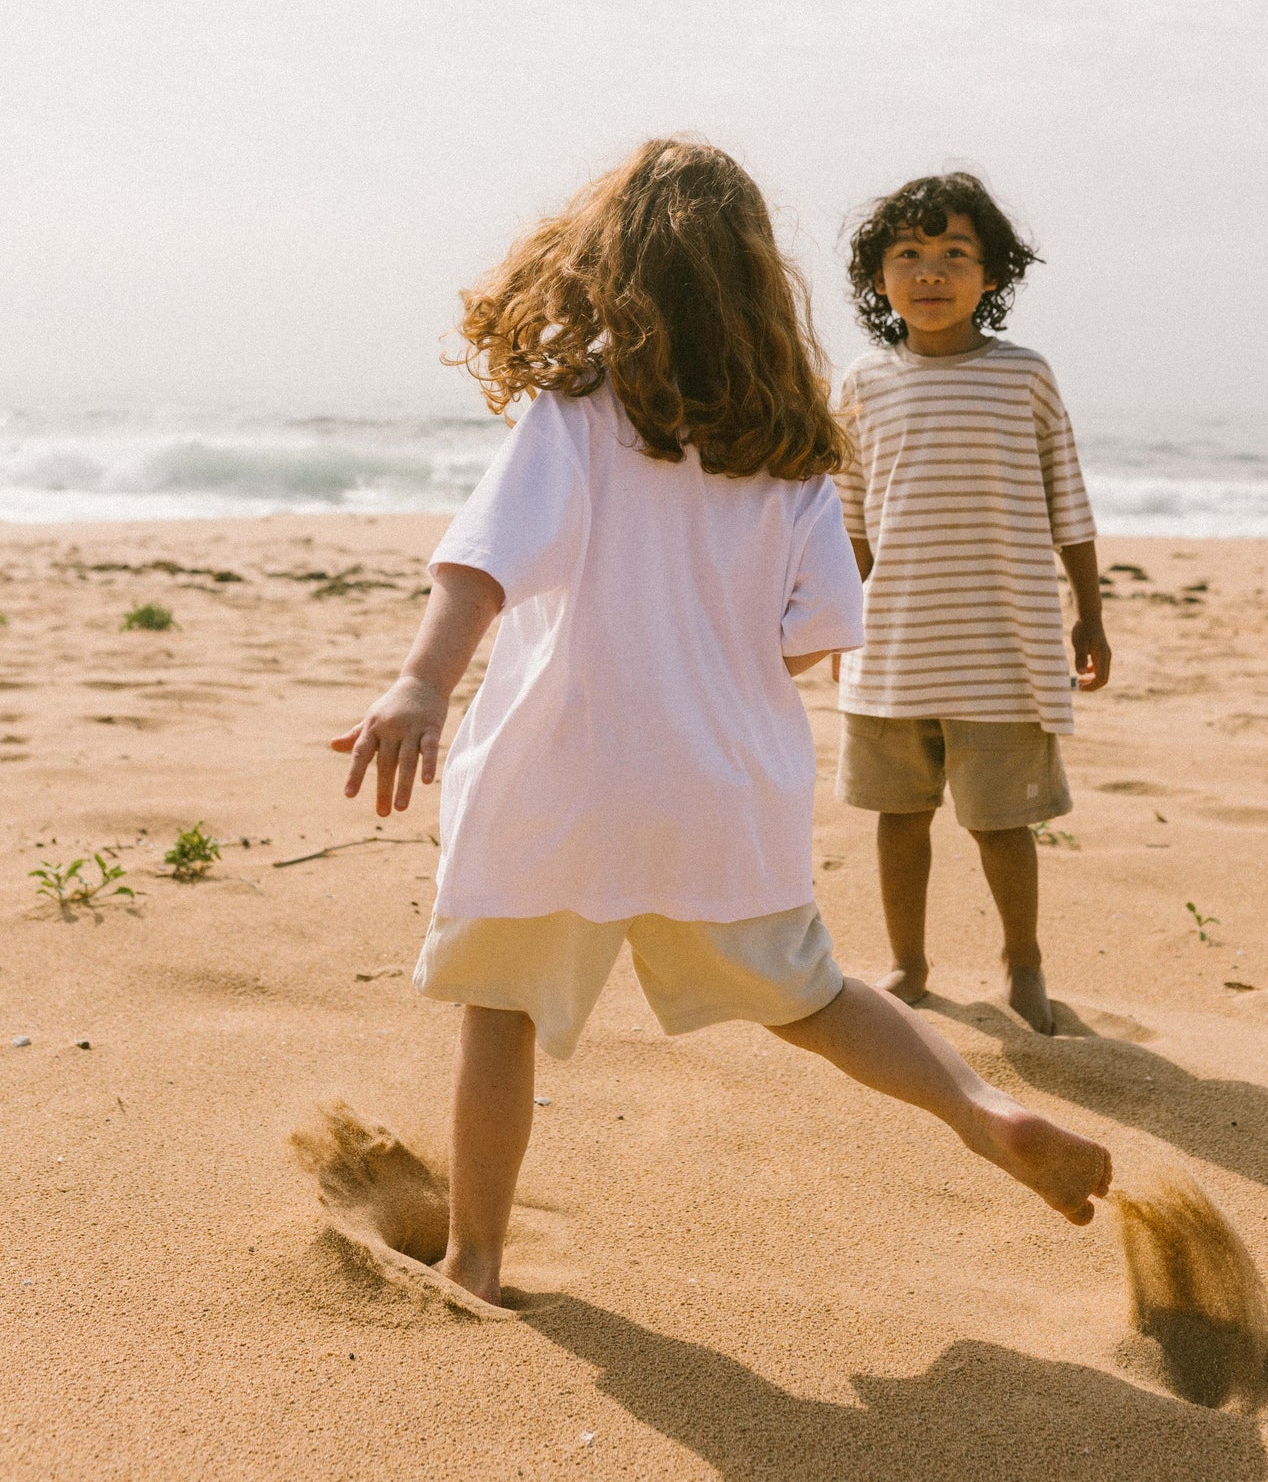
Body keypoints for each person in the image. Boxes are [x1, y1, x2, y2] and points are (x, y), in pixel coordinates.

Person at [333, 140, 1111, 1308]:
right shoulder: (793, 445)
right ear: (756, 282)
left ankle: (476, 1257)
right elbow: (814, 634)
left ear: (610, 268)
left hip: (561, 772)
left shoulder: (582, 413)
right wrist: (711, 657)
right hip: (721, 781)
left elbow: (482, 564)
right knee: (812, 995)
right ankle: (978, 1107)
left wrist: (420, 683)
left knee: (499, 1014)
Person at [835, 172, 1111, 1035]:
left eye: (954, 254)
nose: (929, 272)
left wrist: (1089, 612)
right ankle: (908, 963)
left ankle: (1021, 962)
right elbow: (847, 512)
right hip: (892, 646)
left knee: (1003, 825)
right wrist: (830, 616)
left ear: (989, 275)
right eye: (907, 255)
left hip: (1003, 646)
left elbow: (1067, 498)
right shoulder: (862, 382)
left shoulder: (1022, 376)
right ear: (879, 279)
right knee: (898, 816)